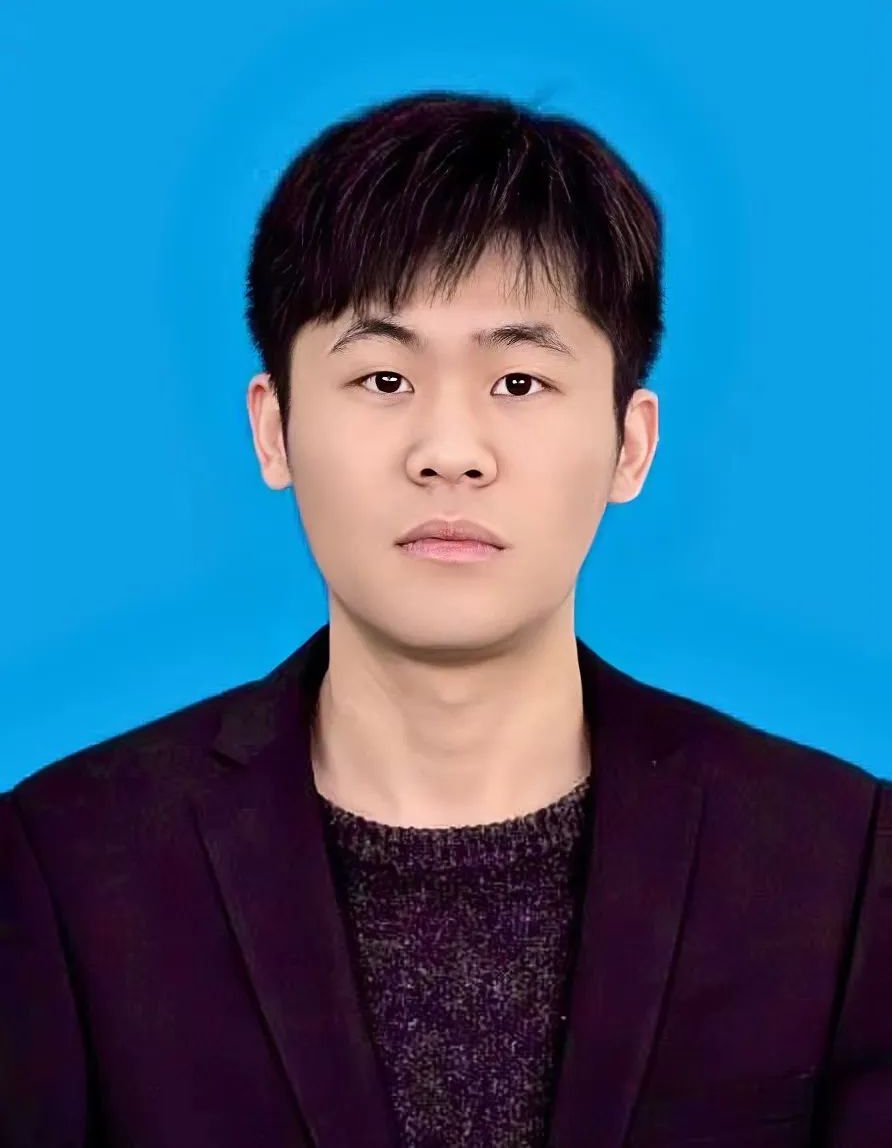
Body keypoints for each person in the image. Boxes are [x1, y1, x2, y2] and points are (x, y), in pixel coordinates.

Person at [1, 90, 889, 1148]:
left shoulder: (840, 867)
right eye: (384, 377)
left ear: (630, 444)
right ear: (274, 429)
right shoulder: (66, 866)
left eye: (519, 380)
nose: (451, 452)